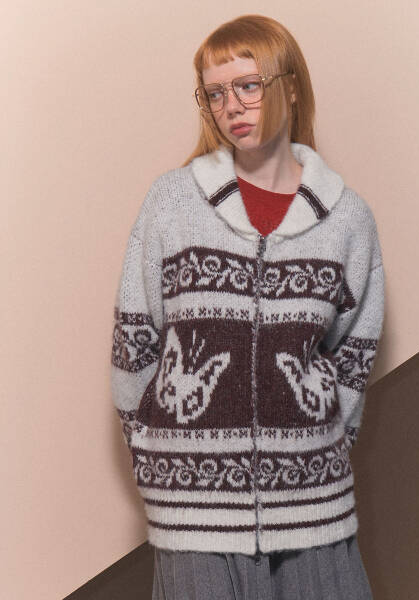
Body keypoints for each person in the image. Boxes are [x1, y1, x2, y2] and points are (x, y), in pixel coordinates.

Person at [110, 13, 385, 600]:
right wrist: (156, 460)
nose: (230, 105)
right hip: (192, 513)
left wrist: (314, 453)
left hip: (313, 506)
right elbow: (134, 341)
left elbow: (353, 356)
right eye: (214, 93)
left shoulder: (347, 219)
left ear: (290, 86)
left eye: (248, 85)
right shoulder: (171, 203)